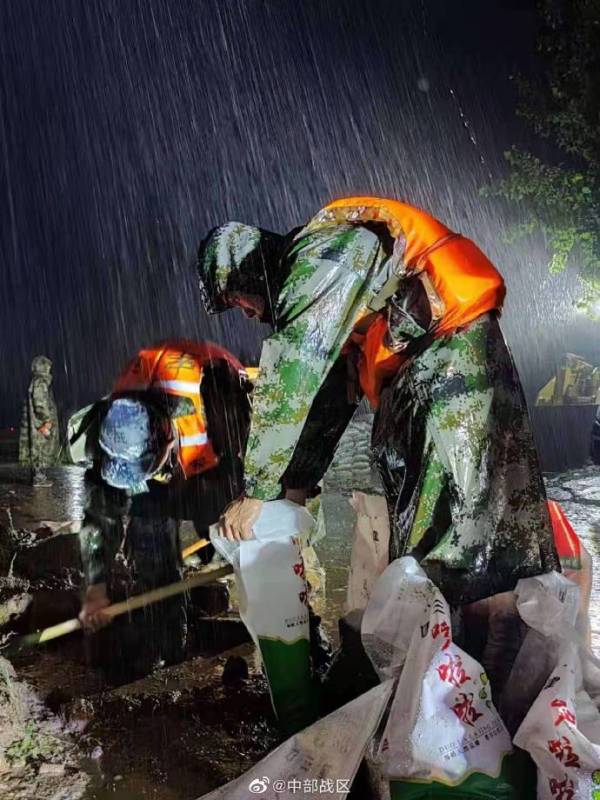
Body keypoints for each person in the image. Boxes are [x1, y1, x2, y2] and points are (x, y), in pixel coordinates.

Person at [197, 196, 559, 607]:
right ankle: (504, 649)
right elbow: (328, 399)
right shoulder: (333, 282)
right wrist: (294, 486)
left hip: (446, 372)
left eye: (235, 301)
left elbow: (293, 376)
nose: (245, 315)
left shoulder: (317, 260)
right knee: (499, 526)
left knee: (447, 539)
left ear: (247, 273)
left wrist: (257, 492)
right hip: (460, 362)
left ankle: (452, 658)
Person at [70, 339, 251, 681]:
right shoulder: (115, 427)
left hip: (214, 463)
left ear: (168, 440)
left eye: (145, 469)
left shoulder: (218, 403)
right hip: (174, 461)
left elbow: (266, 471)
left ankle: (290, 628)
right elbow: (100, 515)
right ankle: (165, 648)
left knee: (244, 538)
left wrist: (236, 528)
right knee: (150, 547)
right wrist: (95, 587)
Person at [19, 355, 60, 487]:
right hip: (39, 423)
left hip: (36, 423)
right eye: (47, 367)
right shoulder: (40, 382)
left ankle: (37, 476)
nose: (49, 370)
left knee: (36, 448)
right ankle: (39, 478)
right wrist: (47, 419)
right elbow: (40, 403)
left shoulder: (35, 381)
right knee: (41, 448)